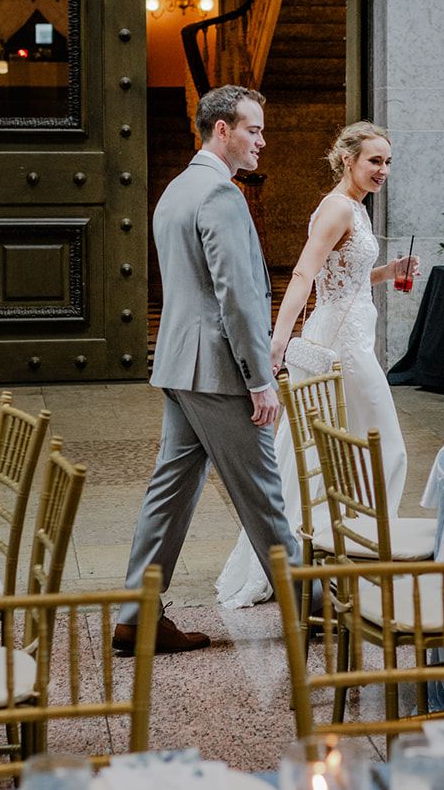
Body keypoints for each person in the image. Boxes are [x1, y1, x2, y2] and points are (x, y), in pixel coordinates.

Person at [112, 84, 300, 655]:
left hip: (178, 364)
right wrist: (260, 378)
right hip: (218, 371)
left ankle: (137, 616)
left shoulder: (176, 189)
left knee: (169, 493)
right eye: (254, 130)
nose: (262, 141)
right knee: (263, 493)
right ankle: (314, 608)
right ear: (223, 129)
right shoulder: (220, 194)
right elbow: (236, 296)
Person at [214, 121, 419, 608]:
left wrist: (386, 274)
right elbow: (306, 271)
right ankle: (357, 553)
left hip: (351, 338)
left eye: (388, 162)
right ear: (348, 159)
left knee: (323, 452)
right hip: (340, 348)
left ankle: (327, 555)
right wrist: (278, 339)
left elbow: (341, 278)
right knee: (384, 448)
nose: (383, 170)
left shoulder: (356, 210)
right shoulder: (336, 208)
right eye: (374, 160)